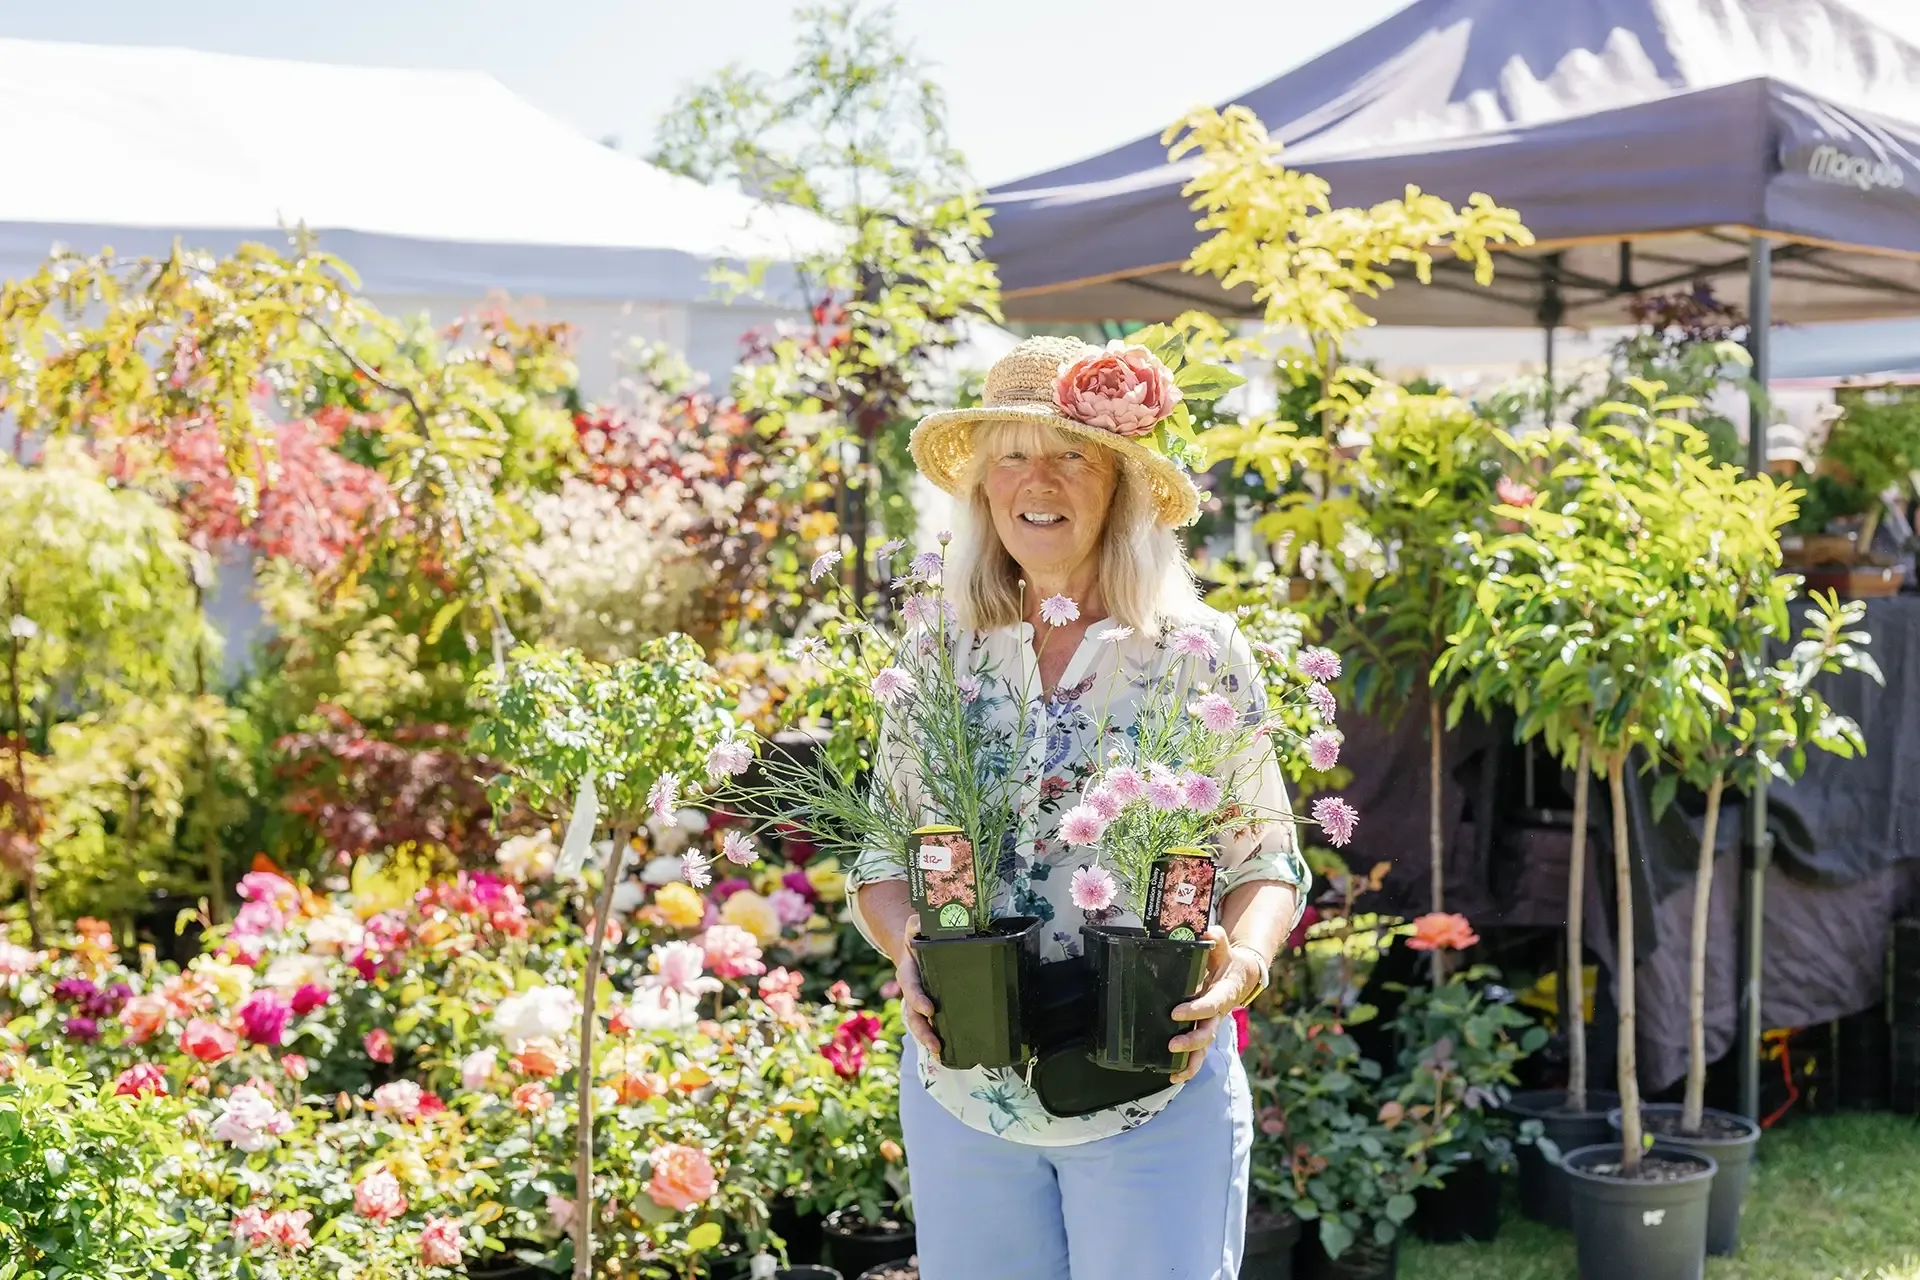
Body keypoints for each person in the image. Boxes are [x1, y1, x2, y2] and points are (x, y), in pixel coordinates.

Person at [848, 336, 1309, 1280]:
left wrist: (1244, 965)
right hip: (967, 1090)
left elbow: (1266, 861)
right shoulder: (940, 652)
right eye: (1010, 455)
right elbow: (881, 865)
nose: (1036, 479)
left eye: (1070, 454)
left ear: (1122, 487)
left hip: (1150, 1085)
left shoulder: (1197, 653)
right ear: (982, 490)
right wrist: (910, 957)